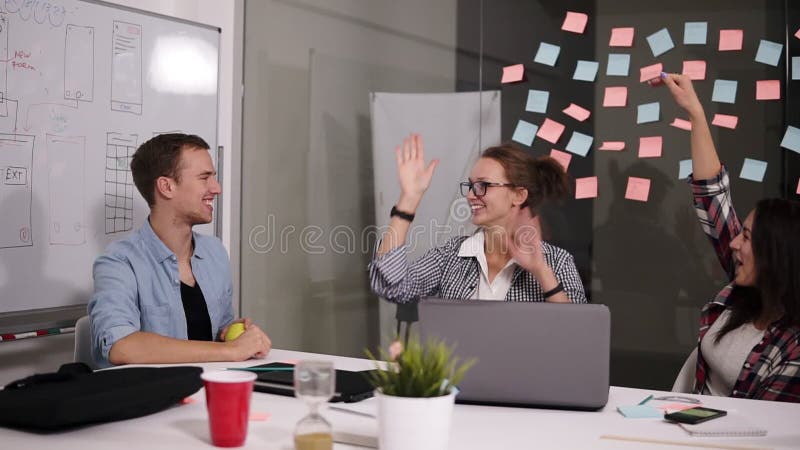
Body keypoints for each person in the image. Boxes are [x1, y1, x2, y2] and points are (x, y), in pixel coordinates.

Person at [662, 73, 800, 402]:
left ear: (776, 255)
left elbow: (765, 430)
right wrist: (695, 113)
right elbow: (713, 197)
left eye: (748, 237)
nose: (735, 243)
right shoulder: (741, 290)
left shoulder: (792, 346)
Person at [89, 133, 271, 368]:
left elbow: (220, 338)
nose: (216, 188)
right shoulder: (119, 262)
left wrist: (233, 335)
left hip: (206, 390)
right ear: (167, 186)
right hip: (154, 399)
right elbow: (121, 346)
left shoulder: (214, 252)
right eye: (204, 178)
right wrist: (229, 350)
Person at [369, 134, 587, 304]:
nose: (471, 195)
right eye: (471, 185)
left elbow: (577, 335)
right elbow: (391, 287)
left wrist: (541, 271)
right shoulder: (451, 255)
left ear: (518, 195)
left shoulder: (557, 262)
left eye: (484, 185)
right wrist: (409, 198)